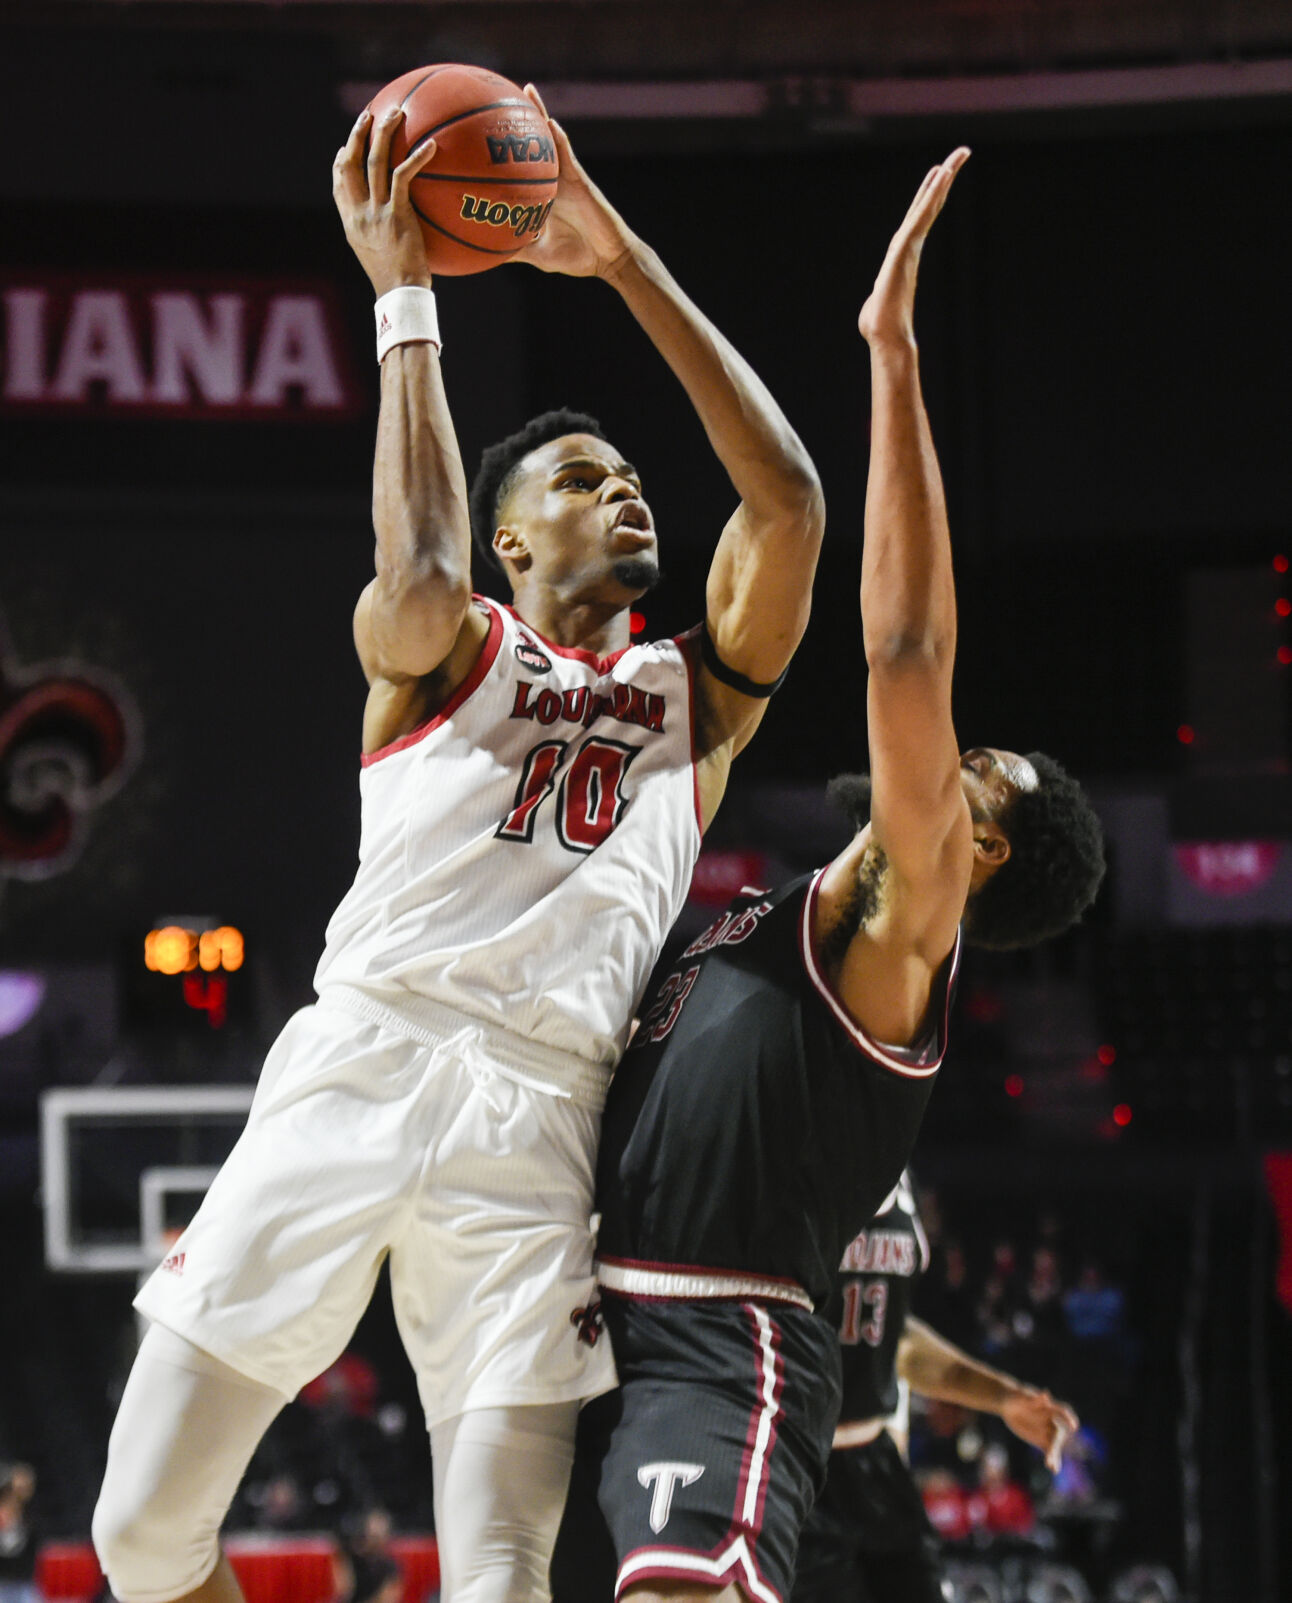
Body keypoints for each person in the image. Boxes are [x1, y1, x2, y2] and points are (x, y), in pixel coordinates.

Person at [92, 88, 824, 1603]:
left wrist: (621, 261)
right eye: (577, 479)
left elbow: (793, 500)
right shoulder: (437, 644)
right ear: (513, 543)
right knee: (139, 1532)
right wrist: (404, 298)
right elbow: (415, 559)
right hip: (364, 1056)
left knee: (500, 1571)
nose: (622, 487)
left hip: (543, 1128)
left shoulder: (698, 695)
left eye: (627, 477)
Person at [550, 149, 1105, 1603]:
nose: (952, 758)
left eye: (980, 776)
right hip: (577, 1303)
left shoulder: (904, 923)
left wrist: (894, 359)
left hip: (715, 1332)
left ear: (979, 852)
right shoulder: (773, 911)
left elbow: (907, 650)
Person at [792, 1174, 1077, 1603]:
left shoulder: (901, 1171)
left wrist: (1005, 1396)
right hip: (794, 1465)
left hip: (876, 1464)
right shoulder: (793, 1153)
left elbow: (897, 1338)